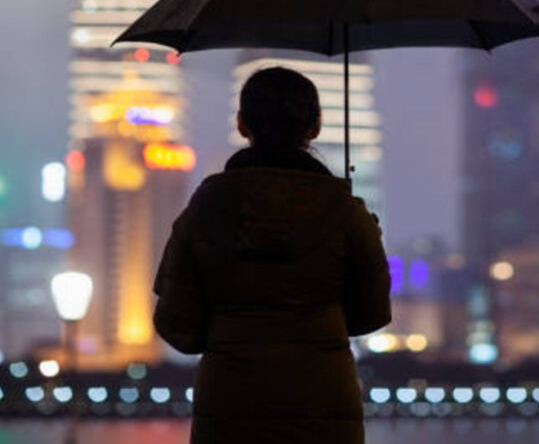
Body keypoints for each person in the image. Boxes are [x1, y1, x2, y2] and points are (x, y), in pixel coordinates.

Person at [153, 66, 391, 444]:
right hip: (324, 406)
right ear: (314, 127)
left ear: (242, 124)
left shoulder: (205, 208)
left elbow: (176, 326)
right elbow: (372, 314)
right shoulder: (346, 212)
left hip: (230, 407)